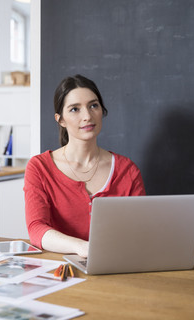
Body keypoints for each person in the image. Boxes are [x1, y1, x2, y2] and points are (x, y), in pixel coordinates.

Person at [24, 74, 146, 257]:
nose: (87, 116)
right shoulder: (39, 167)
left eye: (93, 105)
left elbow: (141, 230)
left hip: (116, 266)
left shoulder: (127, 170)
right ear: (60, 119)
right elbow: (36, 229)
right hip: (61, 271)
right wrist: (81, 247)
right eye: (75, 109)